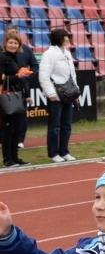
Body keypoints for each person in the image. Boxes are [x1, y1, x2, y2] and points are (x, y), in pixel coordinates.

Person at [39, 28, 79, 163]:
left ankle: (64, 151)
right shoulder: (48, 54)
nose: (68, 39)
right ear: (60, 38)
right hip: (56, 95)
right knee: (55, 125)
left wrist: (76, 91)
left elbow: (72, 74)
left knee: (66, 124)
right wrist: (51, 93)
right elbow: (43, 76)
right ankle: (53, 153)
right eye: (66, 37)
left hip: (68, 93)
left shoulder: (67, 53)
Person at [0, 32, 32, 167]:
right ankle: (7, 159)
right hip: (7, 96)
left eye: (15, 43)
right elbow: (1, 77)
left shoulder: (16, 58)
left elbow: (22, 79)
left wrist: (28, 94)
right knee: (8, 129)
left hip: (18, 96)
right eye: (11, 42)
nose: (13, 45)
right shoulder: (2, 57)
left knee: (18, 128)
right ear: (5, 43)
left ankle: (15, 157)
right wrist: (16, 77)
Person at [10, 24, 38, 150]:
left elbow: (35, 66)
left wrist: (27, 77)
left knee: (21, 115)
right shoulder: (2, 51)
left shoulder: (26, 49)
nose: (14, 35)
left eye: (16, 32)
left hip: (22, 88)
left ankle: (20, 140)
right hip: (5, 89)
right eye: (11, 33)